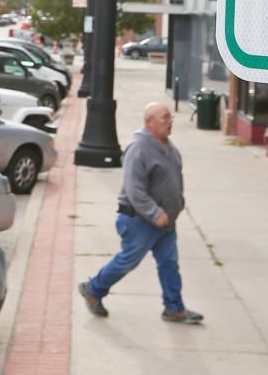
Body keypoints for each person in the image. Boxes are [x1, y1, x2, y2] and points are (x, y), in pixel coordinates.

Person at [79, 101, 203, 324]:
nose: (170, 121)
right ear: (149, 122)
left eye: (170, 117)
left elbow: (176, 178)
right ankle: (93, 289)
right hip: (140, 220)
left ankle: (174, 308)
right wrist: (155, 213)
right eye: (164, 117)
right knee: (127, 261)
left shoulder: (169, 147)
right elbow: (134, 191)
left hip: (166, 222)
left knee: (169, 264)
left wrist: (178, 202)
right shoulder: (139, 148)